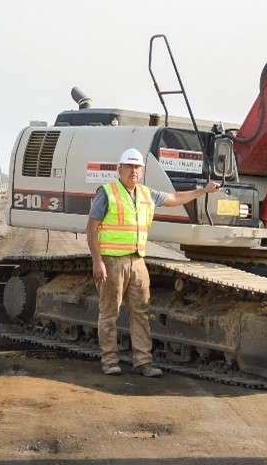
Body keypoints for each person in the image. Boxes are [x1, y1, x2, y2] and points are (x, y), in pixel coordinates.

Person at [86, 147, 221, 377]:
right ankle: (110, 361)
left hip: (138, 261)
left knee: (141, 312)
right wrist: (97, 261)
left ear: (143, 170)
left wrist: (203, 191)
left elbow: (176, 198)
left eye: (137, 167)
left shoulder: (147, 194)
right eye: (129, 166)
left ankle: (143, 362)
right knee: (109, 313)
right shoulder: (108, 193)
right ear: (119, 169)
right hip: (112, 262)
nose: (133, 171)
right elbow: (91, 228)